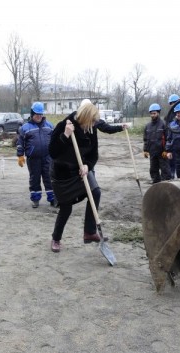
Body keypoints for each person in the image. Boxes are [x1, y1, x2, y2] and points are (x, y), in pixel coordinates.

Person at [49, 102, 102, 253]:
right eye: (91, 121)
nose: (93, 124)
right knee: (66, 208)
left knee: (95, 192)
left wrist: (88, 165)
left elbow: (94, 154)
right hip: (62, 173)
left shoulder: (91, 129)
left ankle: (89, 232)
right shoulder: (64, 125)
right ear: (84, 117)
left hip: (80, 170)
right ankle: (56, 238)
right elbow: (52, 152)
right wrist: (65, 135)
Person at [17, 102, 56, 208]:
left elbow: (55, 141)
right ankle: (35, 199)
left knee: (49, 178)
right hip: (33, 159)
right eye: (36, 114)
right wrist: (20, 155)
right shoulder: (25, 128)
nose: (39, 116)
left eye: (40, 114)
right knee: (34, 179)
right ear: (32, 114)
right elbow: (20, 143)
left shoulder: (49, 126)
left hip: (48, 158)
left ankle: (53, 199)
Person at [143, 103, 171, 183]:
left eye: (154, 113)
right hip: (152, 152)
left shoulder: (164, 125)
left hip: (162, 152)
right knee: (153, 169)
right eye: (151, 113)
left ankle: (165, 183)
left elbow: (168, 138)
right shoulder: (148, 126)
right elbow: (146, 139)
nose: (153, 115)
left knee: (165, 170)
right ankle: (155, 182)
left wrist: (166, 150)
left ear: (158, 113)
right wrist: (145, 150)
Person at [165, 94, 180, 178]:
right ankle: (171, 179)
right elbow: (167, 132)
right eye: (171, 103)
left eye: (174, 102)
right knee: (171, 165)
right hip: (171, 144)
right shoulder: (169, 116)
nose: (173, 104)